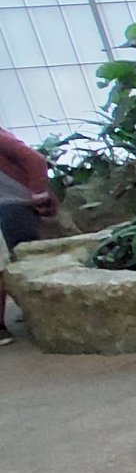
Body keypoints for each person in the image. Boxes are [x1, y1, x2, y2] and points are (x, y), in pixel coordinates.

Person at [0, 127, 58, 346]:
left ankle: (44, 313)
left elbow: (35, 159)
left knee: (21, 262)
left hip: (14, 205)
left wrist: (38, 193)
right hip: (10, 205)